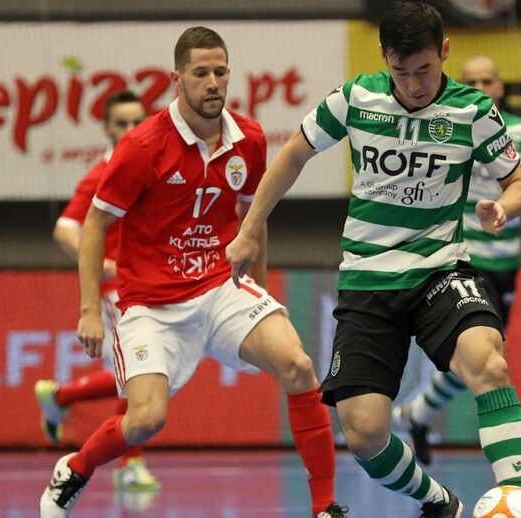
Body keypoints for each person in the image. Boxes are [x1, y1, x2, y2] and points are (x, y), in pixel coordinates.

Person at [226, 3, 521, 518]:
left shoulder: (473, 111)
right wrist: (250, 227)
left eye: (424, 70)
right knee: (365, 434)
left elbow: (520, 183)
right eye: (401, 72)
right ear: (384, 59)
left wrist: (502, 207)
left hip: (441, 269)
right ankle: (440, 504)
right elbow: (294, 155)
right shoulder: (355, 98)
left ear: (444, 52)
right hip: (368, 281)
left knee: (489, 361)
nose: (414, 84)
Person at [39, 27, 347, 518]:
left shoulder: (249, 138)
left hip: (221, 287)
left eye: (220, 72)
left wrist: (259, 291)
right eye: (200, 73)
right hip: (150, 304)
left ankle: (325, 505)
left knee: (299, 366)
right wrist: (89, 309)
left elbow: (254, 220)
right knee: (144, 421)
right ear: (176, 79)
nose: (212, 83)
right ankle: (74, 469)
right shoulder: (142, 146)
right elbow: (94, 223)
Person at [392, 55, 521, 484]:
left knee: (476, 362)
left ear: (501, 87)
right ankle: (520, 463)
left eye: (489, 80)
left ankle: (416, 412)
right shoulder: (448, 128)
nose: (482, 87)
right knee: (491, 360)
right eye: (472, 81)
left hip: (507, 259)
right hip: (466, 259)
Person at [34, 89, 159, 492]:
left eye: (136, 121)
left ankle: (61, 396)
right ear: (106, 128)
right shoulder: (103, 172)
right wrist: (104, 265)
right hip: (117, 289)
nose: (129, 129)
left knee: (141, 374)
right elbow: (65, 228)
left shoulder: (153, 164)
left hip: (151, 282)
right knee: (140, 373)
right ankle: (130, 464)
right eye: (121, 123)